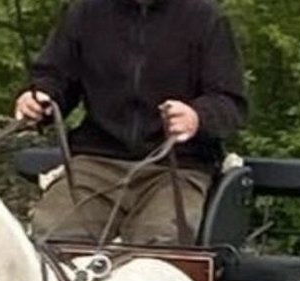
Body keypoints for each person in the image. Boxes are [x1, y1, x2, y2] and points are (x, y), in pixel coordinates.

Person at [15, 0, 248, 245]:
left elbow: (230, 102)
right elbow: (54, 78)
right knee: (52, 236)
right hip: (95, 161)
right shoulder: (84, 12)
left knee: (160, 241)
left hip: (179, 166)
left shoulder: (206, 18)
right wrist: (39, 98)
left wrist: (196, 116)